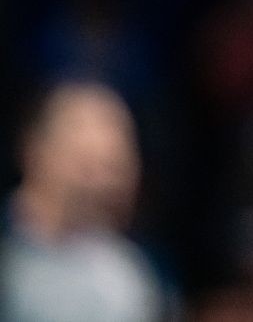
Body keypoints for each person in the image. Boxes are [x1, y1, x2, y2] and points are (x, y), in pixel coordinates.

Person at [1, 82, 169, 322]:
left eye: (112, 169)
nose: (102, 187)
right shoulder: (10, 260)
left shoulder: (130, 276)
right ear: (34, 152)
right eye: (87, 167)